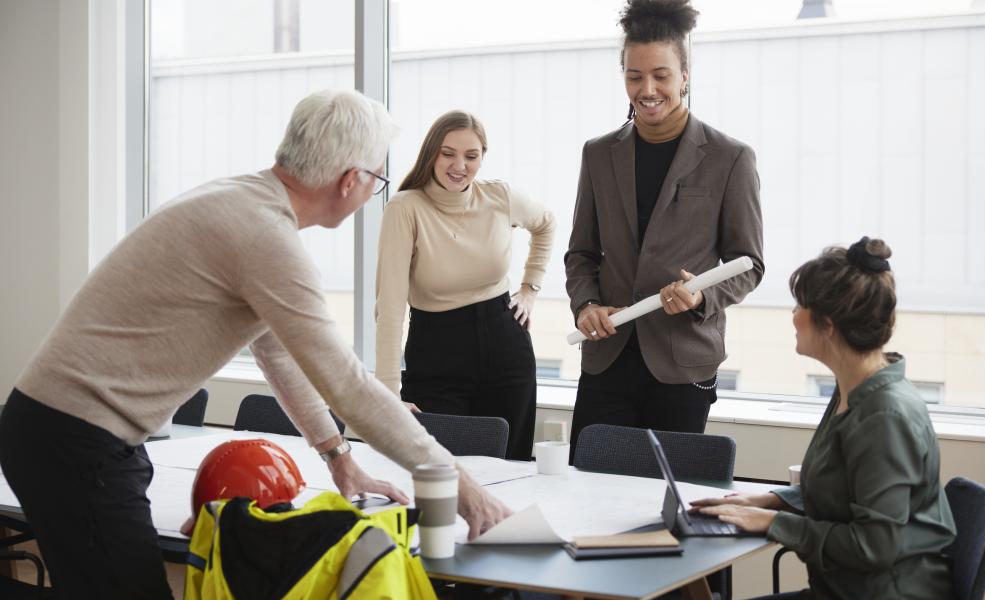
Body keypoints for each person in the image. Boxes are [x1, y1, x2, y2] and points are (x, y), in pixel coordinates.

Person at [0, 90, 511, 599]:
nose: (372, 192)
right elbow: (349, 385)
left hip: (59, 433)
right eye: (377, 179)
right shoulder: (265, 238)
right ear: (349, 180)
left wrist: (337, 456)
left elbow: (278, 355)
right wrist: (461, 486)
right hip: (76, 441)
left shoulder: (242, 200)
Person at [691, 237, 957, 600]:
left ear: (828, 326)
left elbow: (876, 546)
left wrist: (774, 523)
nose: (793, 315)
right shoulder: (852, 388)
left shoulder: (884, 417)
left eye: (800, 305)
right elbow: (846, 492)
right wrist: (770, 501)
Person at [565, 0, 764, 460]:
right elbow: (581, 253)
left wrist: (701, 296)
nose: (648, 89)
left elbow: (749, 263)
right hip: (607, 358)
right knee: (590, 491)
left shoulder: (730, 157)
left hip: (682, 362)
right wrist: (586, 304)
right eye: (635, 76)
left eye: (661, 75)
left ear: (684, 76)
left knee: (667, 500)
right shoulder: (597, 154)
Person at [375, 110, 556, 461]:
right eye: (448, 154)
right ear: (431, 154)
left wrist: (530, 289)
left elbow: (546, 223)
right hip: (436, 354)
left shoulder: (499, 197)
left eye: (471, 156)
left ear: (482, 158)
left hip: (506, 346)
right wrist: (387, 392)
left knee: (510, 470)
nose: (459, 165)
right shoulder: (405, 208)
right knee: (436, 473)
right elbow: (390, 306)